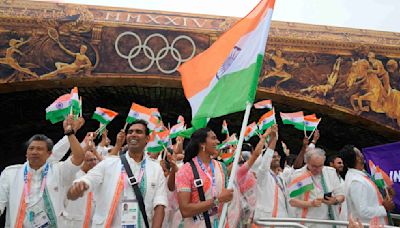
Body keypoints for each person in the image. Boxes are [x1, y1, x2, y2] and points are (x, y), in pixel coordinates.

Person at [67, 120, 168, 228]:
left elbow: (160, 204)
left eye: (138, 132)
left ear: (147, 139)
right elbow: (89, 179)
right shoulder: (109, 163)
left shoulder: (156, 169)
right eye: (130, 132)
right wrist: (79, 186)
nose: (133, 134)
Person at [0, 115, 85, 228]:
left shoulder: (58, 170)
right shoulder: (11, 173)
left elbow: (78, 158)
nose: (34, 152)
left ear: (49, 154)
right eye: (31, 149)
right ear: (26, 153)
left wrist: (70, 133)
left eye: (39, 149)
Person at [175, 128, 233, 228]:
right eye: (213, 138)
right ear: (202, 144)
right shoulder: (186, 170)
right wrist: (217, 200)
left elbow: (227, 198)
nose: (218, 142)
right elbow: (185, 210)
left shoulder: (221, 167)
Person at [289, 147, 345, 228]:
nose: (318, 169)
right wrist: (310, 203)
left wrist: (335, 200)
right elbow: (292, 201)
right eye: (314, 166)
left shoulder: (330, 172)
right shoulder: (299, 175)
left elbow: (341, 196)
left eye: (320, 166)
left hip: (330, 222)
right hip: (309, 223)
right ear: (307, 162)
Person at [340, 145, 395, 224]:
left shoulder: (360, 176)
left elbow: (370, 202)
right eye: (359, 153)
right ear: (357, 158)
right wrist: (384, 208)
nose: (362, 154)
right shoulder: (356, 181)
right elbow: (362, 212)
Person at [254, 124, 289, 222]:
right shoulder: (262, 174)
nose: (276, 158)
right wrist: (273, 139)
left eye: (278, 156)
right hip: (267, 219)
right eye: (273, 157)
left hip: (283, 219)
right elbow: (265, 162)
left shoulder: (281, 177)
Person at [62, 150, 99, 227]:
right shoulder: (73, 175)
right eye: (89, 160)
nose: (93, 162)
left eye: (94, 159)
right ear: (81, 161)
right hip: (73, 222)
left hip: (92, 222)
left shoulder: (97, 177)